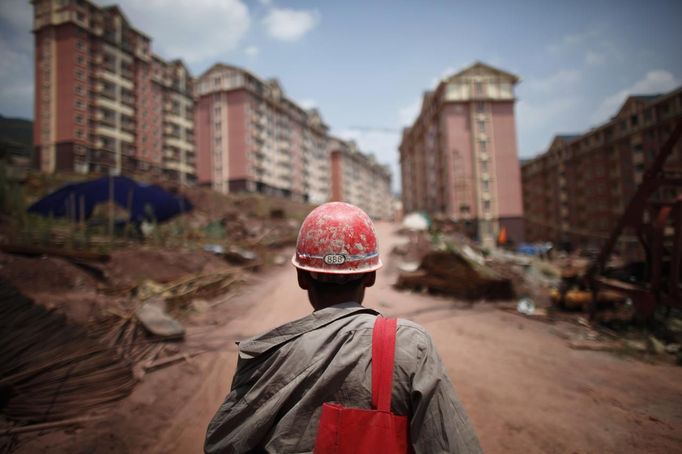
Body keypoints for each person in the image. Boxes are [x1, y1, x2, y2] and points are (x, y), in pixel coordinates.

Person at [204, 202, 481, 453]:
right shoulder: (410, 345)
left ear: (302, 277)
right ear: (370, 276)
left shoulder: (270, 357)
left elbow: (221, 444)